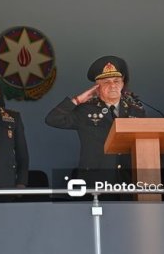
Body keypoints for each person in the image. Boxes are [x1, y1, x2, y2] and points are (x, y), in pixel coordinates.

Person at [45, 55, 145, 188]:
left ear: (123, 83)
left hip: (128, 180)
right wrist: (78, 100)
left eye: (116, 81)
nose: (113, 86)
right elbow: (52, 119)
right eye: (106, 82)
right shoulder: (85, 110)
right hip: (96, 180)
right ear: (97, 87)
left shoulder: (135, 110)